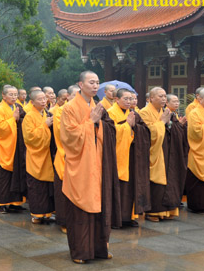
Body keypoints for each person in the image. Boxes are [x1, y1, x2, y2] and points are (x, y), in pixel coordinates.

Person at [60, 71, 120, 264]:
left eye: (97, 83)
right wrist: (90, 122)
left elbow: (106, 133)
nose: (95, 86)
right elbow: (69, 138)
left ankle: (99, 249)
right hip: (80, 166)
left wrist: (100, 123)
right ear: (80, 84)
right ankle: (80, 251)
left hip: (97, 163)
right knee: (80, 210)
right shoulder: (69, 108)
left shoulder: (97, 106)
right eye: (91, 82)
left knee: (99, 208)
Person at [107, 89, 151, 228]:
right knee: (119, 188)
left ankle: (129, 217)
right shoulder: (110, 113)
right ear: (116, 100)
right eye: (125, 99)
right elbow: (109, 133)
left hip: (131, 154)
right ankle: (116, 218)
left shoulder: (133, 113)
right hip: (117, 156)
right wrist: (127, 126)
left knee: (131, 186)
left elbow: (144, 130)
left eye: (131, 99)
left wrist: (134, 126)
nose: (129, 101)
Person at [139, 87, 180, 222]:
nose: (164, 99)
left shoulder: (164, 111)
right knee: (156, 182)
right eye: (160, 96)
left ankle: (168, 210)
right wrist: (161, 122)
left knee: (169, 178)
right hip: (154, 151)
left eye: (164, 96)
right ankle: (154, 212)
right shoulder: (144, 112)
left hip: (165, 149)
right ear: (151, 98)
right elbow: (146, 133)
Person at [0, 85, 27, 214]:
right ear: (3, 95)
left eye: (15, 94)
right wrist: (13, 119)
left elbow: (25, 120)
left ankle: (15, 203)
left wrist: (19, 118)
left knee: (16, 175)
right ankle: (3, 203)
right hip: (5, 148)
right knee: (4, 178)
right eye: (11, 94)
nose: (14, 97)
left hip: (17, 146)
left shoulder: (18, 107)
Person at [22, 90, 54, 224]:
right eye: (40, 99)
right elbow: (29, 137)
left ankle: (47, 213)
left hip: (47, 156)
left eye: (44, 98)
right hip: (35, 156)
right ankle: (36, 214)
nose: (43, 101)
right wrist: (45, 125)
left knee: (46, 187)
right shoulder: (29, 116)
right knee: (36, 187)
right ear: (33, 102)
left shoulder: (48, 114)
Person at [53, 85, 80, 234]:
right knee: (64, 191)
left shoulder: (84, 109)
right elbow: (62, 133)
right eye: (75, 96)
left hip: (81, 157)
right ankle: (64, 220)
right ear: (68, 97)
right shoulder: (60, 111)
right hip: (65, 154)